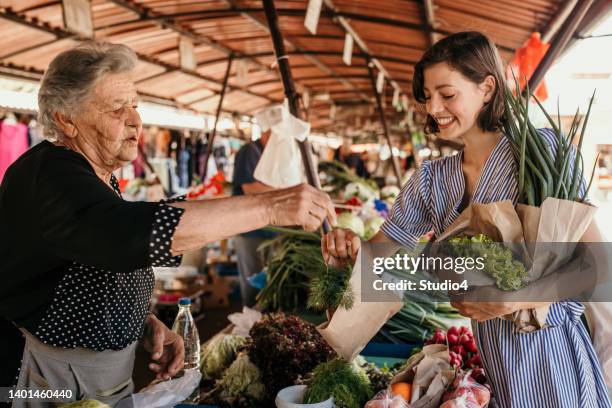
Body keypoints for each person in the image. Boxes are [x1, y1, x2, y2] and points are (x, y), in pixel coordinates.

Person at [0, 42, 335, 407]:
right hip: (43, 378)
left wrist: (143, 325)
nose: (135, 120)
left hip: (98, 376)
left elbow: (91, 262)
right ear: (66, 118)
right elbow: (127, 233)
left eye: (135, 105)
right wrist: (270, 207)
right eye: (117, 108)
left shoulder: (94, 174)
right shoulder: (50, 175)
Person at [322, 32, 611, 407]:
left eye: (447, 94)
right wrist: (349, 253)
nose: (433, 108)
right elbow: (379, 261)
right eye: (427, 97)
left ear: (487, 88)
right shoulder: (432, 180)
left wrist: (516, 299)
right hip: (497, 358)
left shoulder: (544, 154)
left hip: (556, 351)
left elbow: (598, 265)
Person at [231, 106, 280, 307]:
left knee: (268, 277)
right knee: (252, 278)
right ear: (267, 132)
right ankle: (250, 323)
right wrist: (285, 192)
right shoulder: (249, 152)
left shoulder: (272, 156)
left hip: (269, 228)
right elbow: (250, 188)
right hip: (249, 228)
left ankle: (264, 317)